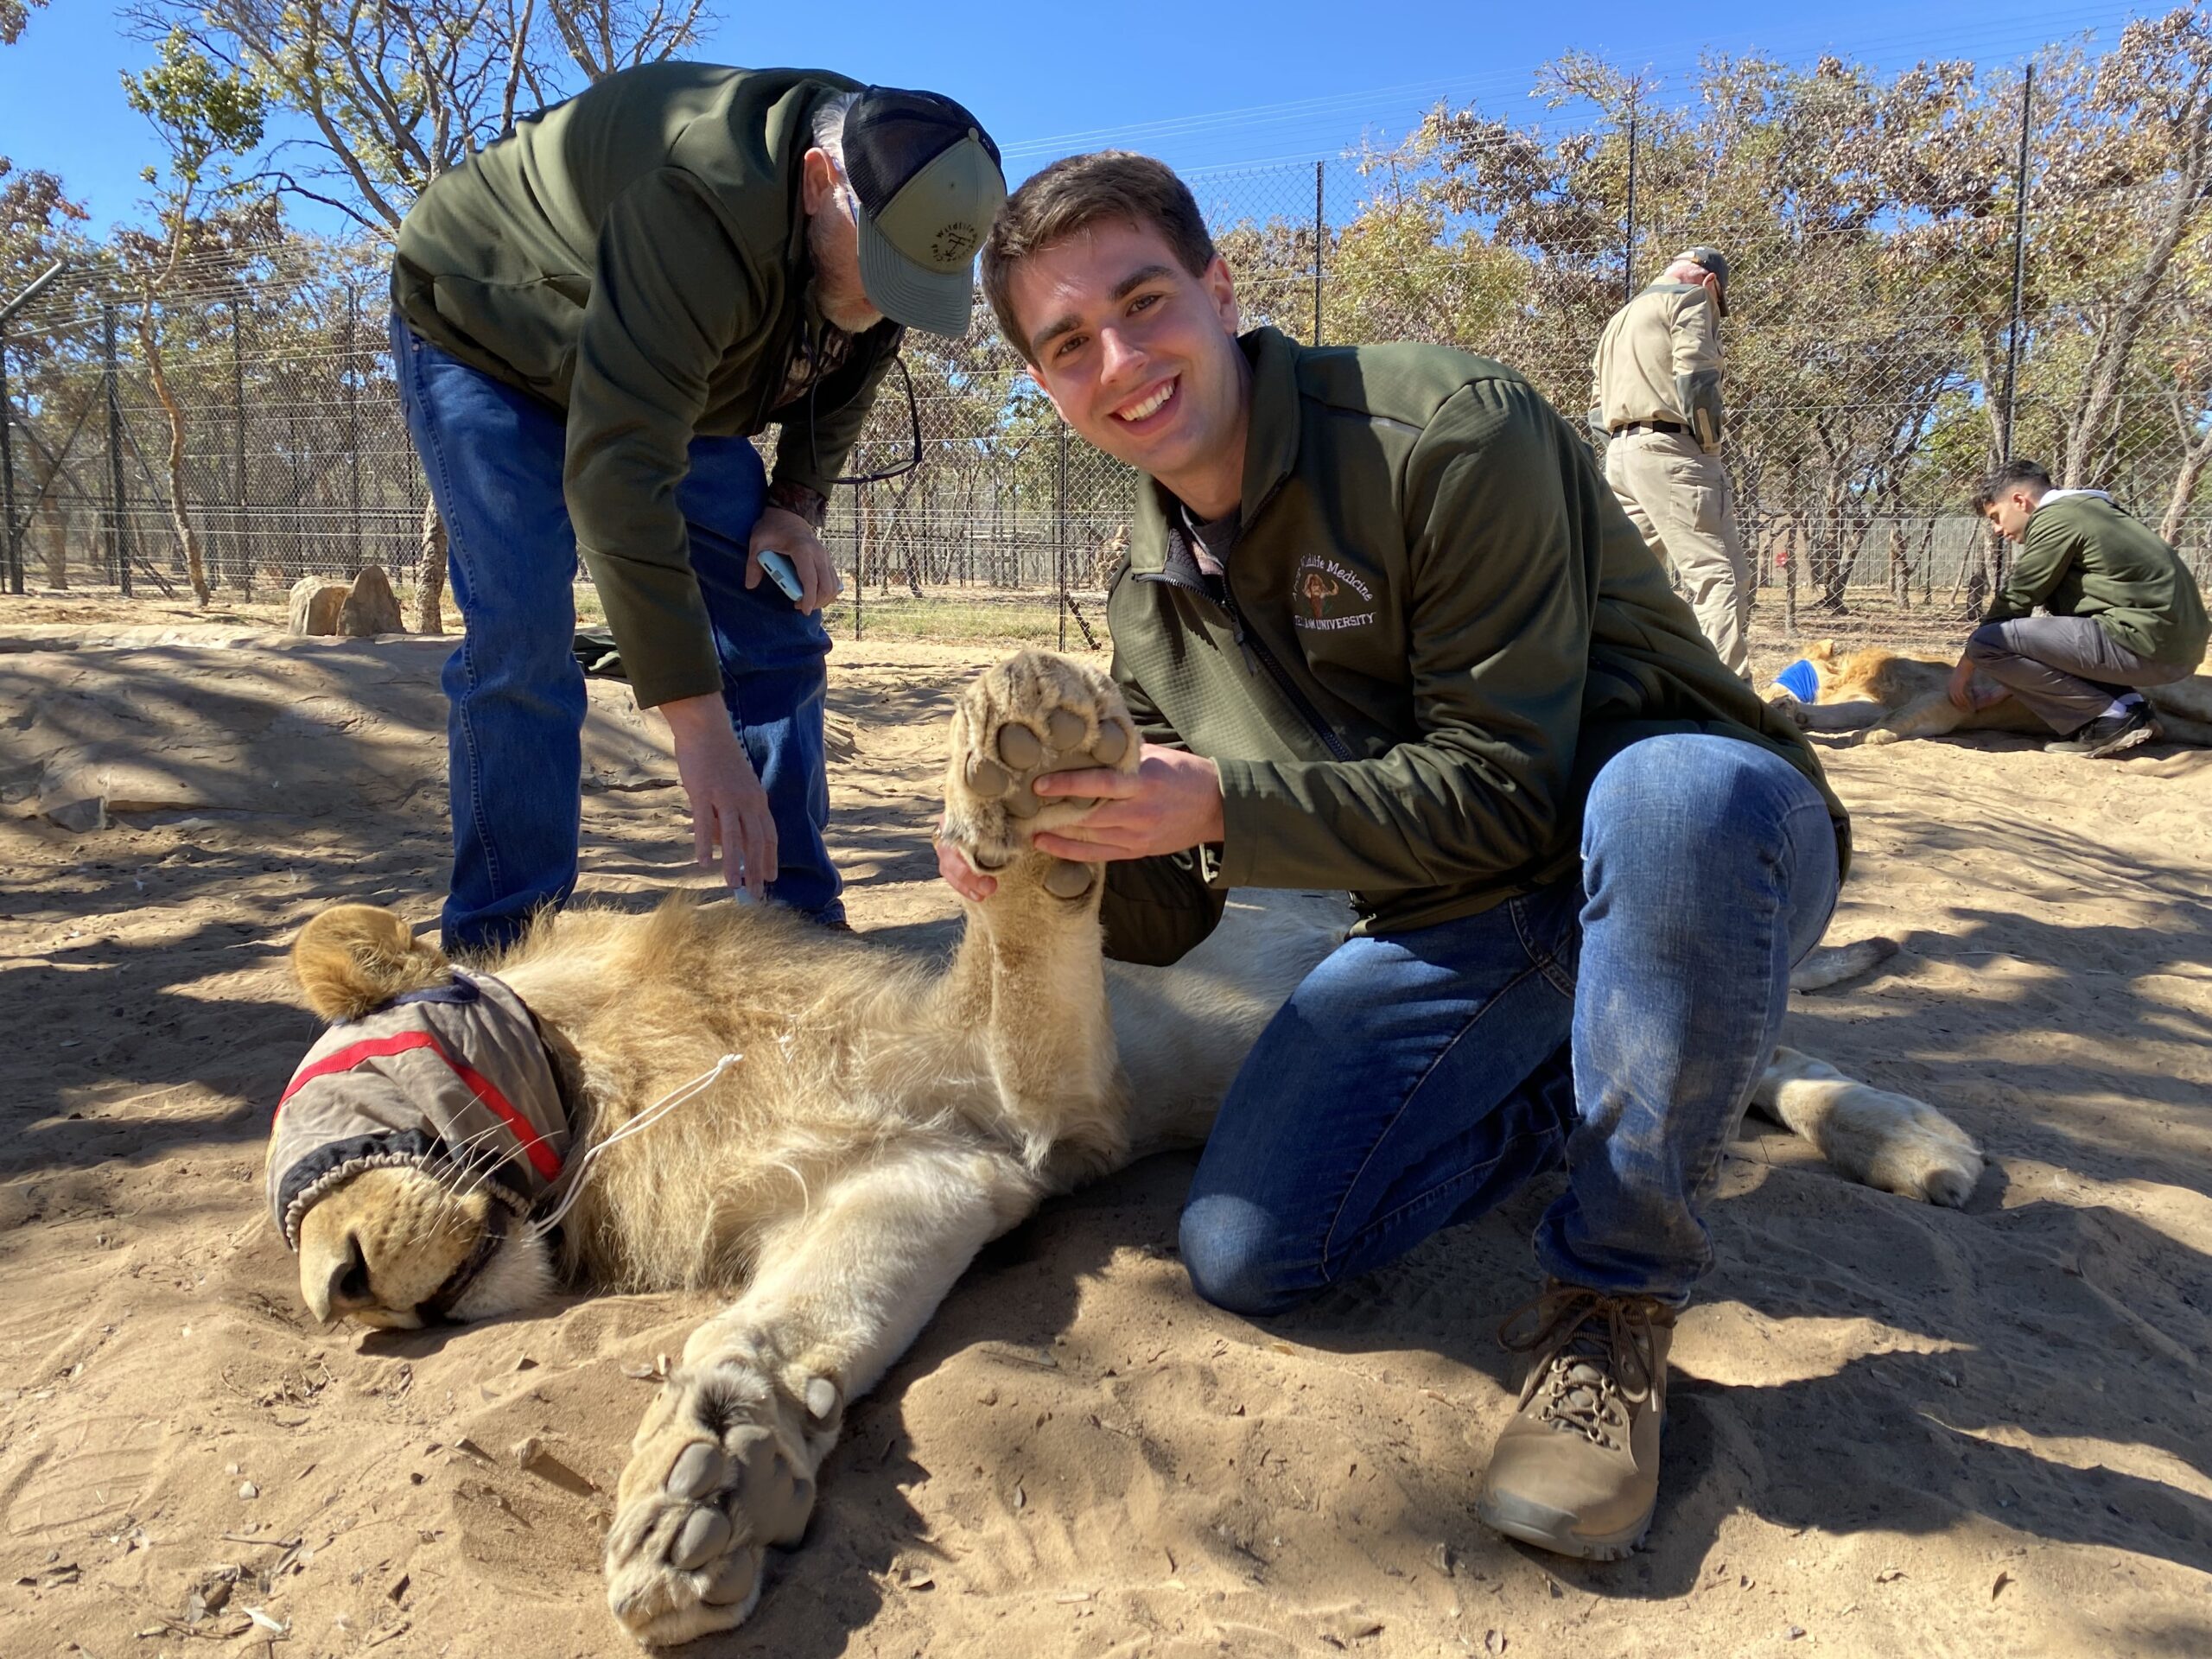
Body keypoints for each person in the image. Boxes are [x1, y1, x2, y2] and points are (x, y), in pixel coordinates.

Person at [939, 151, 1852, 1563]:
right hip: (1478, 911)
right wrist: (1055, 876)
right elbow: (1176, 910)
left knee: (1664, 799)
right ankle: (1596, 1081)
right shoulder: (1146, 594)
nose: (1117, 358)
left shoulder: (1444, 429)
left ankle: (1614, 1309)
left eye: (1142, 302)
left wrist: (1218, 801)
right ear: (1046, 386)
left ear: (1219, 289)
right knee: (1249, 1252)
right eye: (1067, 344)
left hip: (1696, 845)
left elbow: (1508, 788)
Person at [390, 65, 1006, 952]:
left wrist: (794, 502)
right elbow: (617, 472)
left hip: (668, 363)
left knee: (775, 604)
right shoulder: (698, 198)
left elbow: (862, 350)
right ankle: (504, 944)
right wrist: (697, 724)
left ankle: (795, 922)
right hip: (490, 333)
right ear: (815, 183)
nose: (884, 302)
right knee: (520, 630)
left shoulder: (900, 189)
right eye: (879, 269)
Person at [1950, 460, 2208, 758]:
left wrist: (1966, 666)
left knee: (1987, 643)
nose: (1997, 529)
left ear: (2020, 501)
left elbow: (2017, 596)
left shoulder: (2057, 518)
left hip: (2144, 642)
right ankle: (2131, 708)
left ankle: (2111, 719)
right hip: (2173, 647)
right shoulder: (2092, 511)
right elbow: (2065, 629)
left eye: (1996, 516)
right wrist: (2016, 683)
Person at [1589, 247, 1752, 677]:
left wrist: (1619, 454)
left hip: (1620, 456)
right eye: (1720, 303)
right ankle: (1730, 701)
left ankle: (1617, 682)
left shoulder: (1619, 320)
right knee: (1721, 576)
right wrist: (1709, 449)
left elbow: (1595, 407)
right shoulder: (1691, 299)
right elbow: (1696, 380)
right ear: (1712, 283)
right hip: (1675, 453)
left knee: (1624, 585)